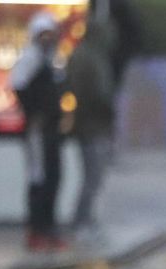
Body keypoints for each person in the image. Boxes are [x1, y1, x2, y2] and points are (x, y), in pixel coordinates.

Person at [9, 13, 67, 253]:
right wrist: (34, 115)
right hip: (37, 131)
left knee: (54, 177)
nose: (48, 39)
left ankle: (49, 228)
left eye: (50, 34)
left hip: (52, 129)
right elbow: (18, 86)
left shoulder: (52, 59)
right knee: (39, 179)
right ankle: (36, 230)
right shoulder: (30, 59)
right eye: (44, 35)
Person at [65, 19, 118, 231]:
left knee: (95, 177)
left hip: (95, 125)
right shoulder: (87, 57)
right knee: (92, 177)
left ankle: (85, 219)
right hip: (91, 125)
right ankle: (81, 220)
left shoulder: (94, 56)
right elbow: (92, 93)